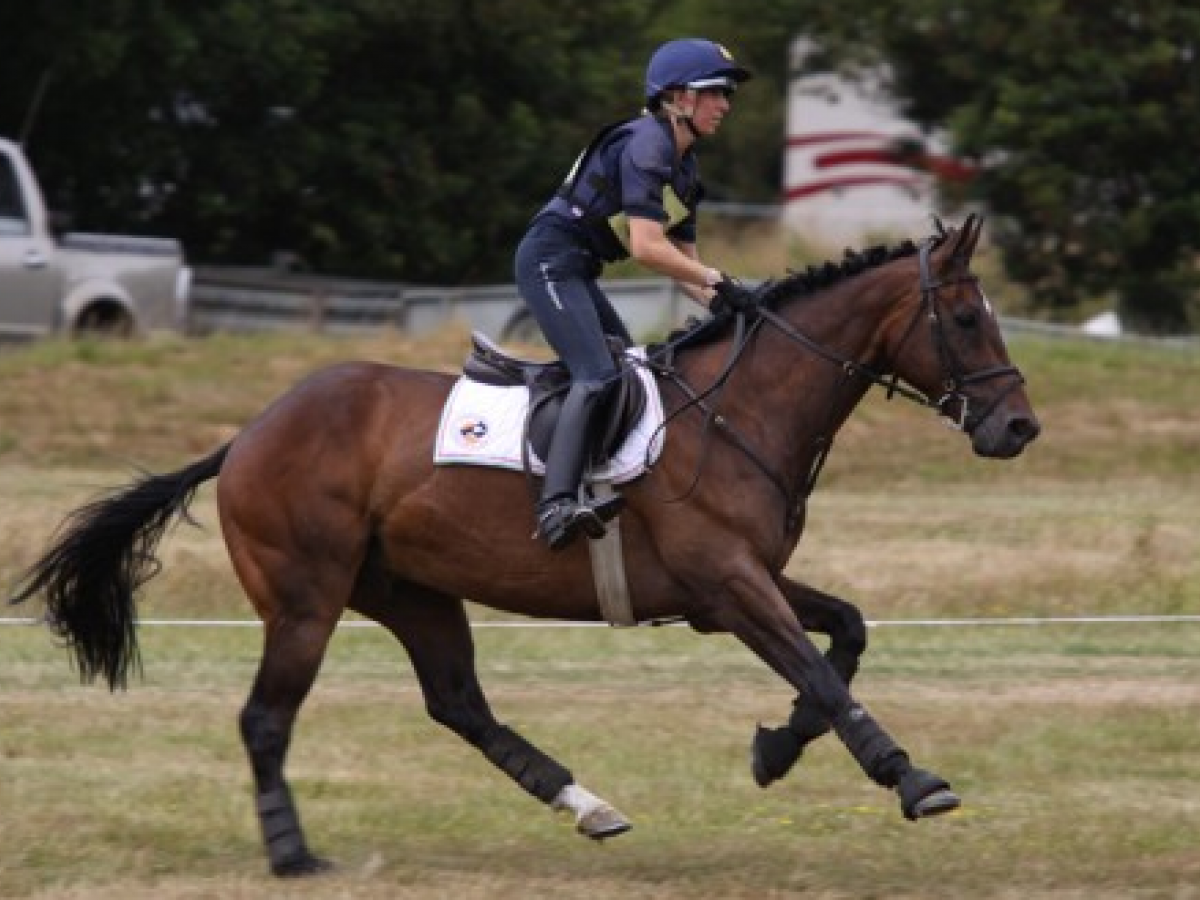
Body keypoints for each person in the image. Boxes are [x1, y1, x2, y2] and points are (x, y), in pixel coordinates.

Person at [515, 37, 760, 551]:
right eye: (715, 92)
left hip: (578, 270)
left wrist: (732, 307)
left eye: (727, 94)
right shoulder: (647, 145)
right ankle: (556, 505)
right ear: (676, 98)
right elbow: (648, 248)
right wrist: (719, 280)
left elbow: (685, 269)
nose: (725, 105)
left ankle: (595, 483)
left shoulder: (686, 169)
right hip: (548, 261)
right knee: (599, 374)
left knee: (628, 374)